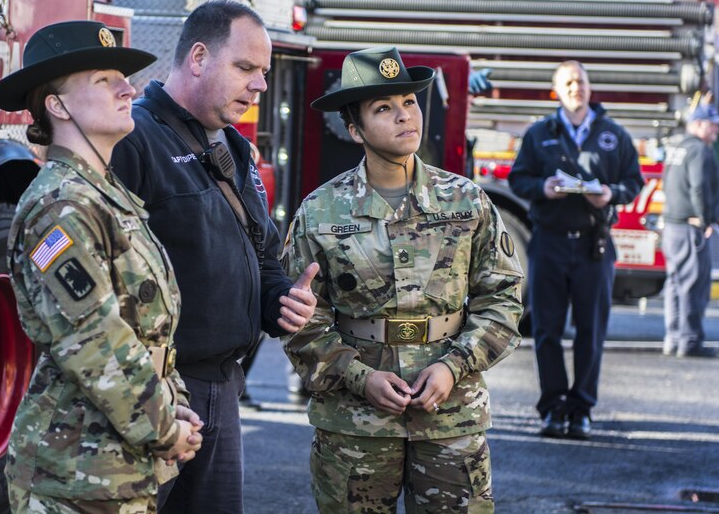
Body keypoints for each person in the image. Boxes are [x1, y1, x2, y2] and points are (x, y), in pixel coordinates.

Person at [281, 46, 524, 513]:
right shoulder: (320, 211)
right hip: (355, 422)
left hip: (450, 414)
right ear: (354, 129)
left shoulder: (466, 201)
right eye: (383, 108)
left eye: (408, 102)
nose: (403, 116)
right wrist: (358, 376)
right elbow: (302, 319)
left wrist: (454, 365)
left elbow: (504, 297)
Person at [0, 20, 204, 512]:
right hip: (74, 474)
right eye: (105, 80)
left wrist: (177, 407)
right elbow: (96, 340)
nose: (129, 87)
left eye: (122, 77)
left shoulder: (108, 198)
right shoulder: (59, 208)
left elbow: (151, 329)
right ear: (57, 106)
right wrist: (166, 427)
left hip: (120, 462)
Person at [111, 0, 318, 513]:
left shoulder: (234, 147)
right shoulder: (132, 142)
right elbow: (105, 287)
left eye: (264, 73)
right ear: (198, 57)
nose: (260, 86)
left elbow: (261, 250)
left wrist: (280, 299)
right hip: (157, 391)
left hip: (223, 389)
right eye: (245, 68)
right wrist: (150, 400)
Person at [508, 60, 644, 440]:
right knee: (547, 331)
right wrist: (542, 188)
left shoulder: (613, 135)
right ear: (557, 90)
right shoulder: (539, 134)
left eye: (581, 81)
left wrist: (611, 195)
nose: (575, 88)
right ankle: (553, 409)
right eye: (568, 83)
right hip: (549, 243)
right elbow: (518, 178)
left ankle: (581, 410)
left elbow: (634, 181)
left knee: (591, 332)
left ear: (590, 87)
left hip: (594, 247)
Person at [661, 103, 719, 358]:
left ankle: (673, 339)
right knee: (693, 286)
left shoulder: (678, 148)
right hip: (690, 228)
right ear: (697, 124)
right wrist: (706, 220)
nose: (716, 128)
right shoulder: (700, 150)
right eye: (712, 123)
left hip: (672, 227)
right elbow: (699, 188)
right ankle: (690, 341)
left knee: (675, 284)